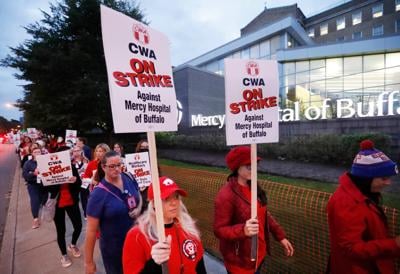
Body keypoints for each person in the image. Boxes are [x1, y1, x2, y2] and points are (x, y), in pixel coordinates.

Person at [214, 146, 294, 274]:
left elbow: (263, 214)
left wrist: (281, 236)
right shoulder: (226, 195)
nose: (254, 169)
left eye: (255, 164)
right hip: (240, 263)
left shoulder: (253, 186)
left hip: (258, 256)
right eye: (249, 166)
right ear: (237, 168)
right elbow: (219, 230)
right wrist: (242, 230)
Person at [327, 139, 400, 274]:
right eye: (383, 178)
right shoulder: (346, 202)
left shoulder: (362, 194)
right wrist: (394, 244)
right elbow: (351, 248)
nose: (388, 183)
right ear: (366, 178)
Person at [122, 176, 206, 274]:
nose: (174, 203)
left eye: (176, 197)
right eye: (166, 199)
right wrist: (154, 263)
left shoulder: (188, 229)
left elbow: (199, 267)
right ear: (153, 204)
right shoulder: (137, 236)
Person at [85, 151, 142, 274]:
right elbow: (91, 230)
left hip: (137, 243)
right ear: (103, 167)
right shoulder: (97, 195)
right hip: (114, 250)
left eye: (119, 165)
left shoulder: (129, 177)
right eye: (112, 166)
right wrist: (89, 262)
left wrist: (138, 208)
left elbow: (138, 195)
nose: (117, 169)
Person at [45, 146, 83, 268]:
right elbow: (46, 189)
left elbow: (79, 184)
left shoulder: (72, 167)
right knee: (61, 231)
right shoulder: (49, 168)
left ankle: (72, 244)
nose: (69, 155)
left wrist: (75, 180)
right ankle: (64, 255)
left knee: (78, 225)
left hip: (71, 202)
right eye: (66, 154)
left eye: (70, 154)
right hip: (58, 204)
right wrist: (51, 178)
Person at [22, 145, 45, 229]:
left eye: (38, 152)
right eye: (35, 152)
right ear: (32, 154)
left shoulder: (46, 160)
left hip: (44, 185)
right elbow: (25, 175)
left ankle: (42, 208)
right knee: (34, 201)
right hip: (33, 185)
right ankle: (35, 219)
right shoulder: (28, 163)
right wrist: (33, 173)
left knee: (43, 200)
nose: (37, 153)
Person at [71, 145, 89, 218]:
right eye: (75, 151)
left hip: (84, 182)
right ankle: (75, 214)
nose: (76, 152)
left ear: (81, 151)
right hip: (74, 183)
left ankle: (86, 213)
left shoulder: (86, 160)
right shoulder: (71, 161)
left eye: (78, 151)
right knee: (74, 199)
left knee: (85, 198)